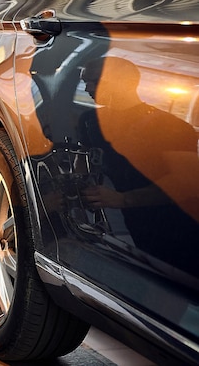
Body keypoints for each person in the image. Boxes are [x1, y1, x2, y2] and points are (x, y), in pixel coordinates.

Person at [77, 56, 199, 275]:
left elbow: (187, 184)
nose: (86, 88)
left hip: (179, 231)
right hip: (136, 230)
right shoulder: (90, 121)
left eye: (92, 81)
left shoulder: (168, 126)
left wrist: (123, 199)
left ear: (115, 82)